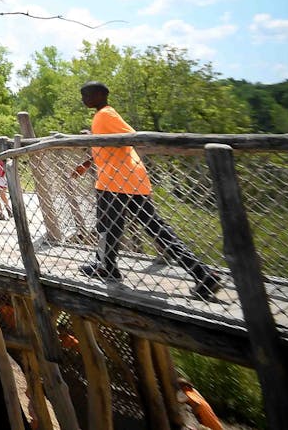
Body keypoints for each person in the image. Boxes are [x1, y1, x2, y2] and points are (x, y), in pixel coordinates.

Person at [71, 82, 221, 300]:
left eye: (87, 94)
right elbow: (112, 145)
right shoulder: (104, 116)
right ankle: (201, 273)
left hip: (115, 182)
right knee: (153, 227)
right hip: (131, 179)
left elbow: (132, 137)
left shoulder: (105, 114)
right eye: (82, 94)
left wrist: (91, 136)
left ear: (102, 94)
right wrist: (90, 149)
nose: (83, 98)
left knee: (106, 226)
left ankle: (105, 266)